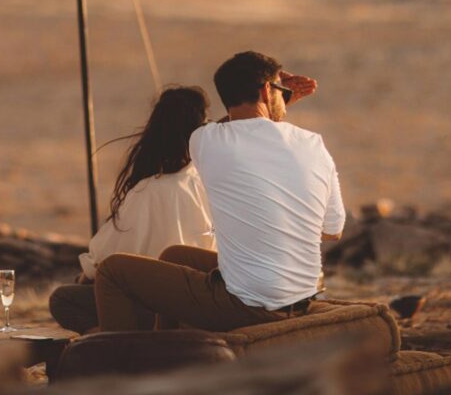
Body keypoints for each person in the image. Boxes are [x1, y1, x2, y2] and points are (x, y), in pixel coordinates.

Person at [94, 50, 344, 332]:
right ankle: (167, 347)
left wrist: (275, 98)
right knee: (176, 256)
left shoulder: (205, 140)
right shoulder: (314, 143)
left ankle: (121, 367)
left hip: (247, 306)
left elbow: (240, 129)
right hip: (302, 297)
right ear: (265, 90)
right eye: (280, 89)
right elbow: (332, 230)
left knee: (112, 271)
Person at [49, 86, 215, 334]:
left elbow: (103, 261)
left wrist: (85, 278)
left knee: (63, 298)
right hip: (204, 300)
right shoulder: (205, 180)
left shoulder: (148, 191)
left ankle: (109, 337)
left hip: (161, 307)